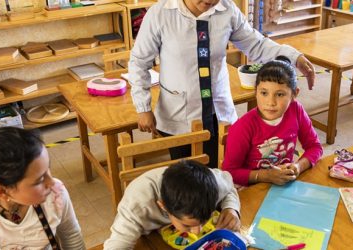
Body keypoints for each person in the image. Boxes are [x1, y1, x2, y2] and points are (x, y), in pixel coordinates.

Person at [128, 0, 316, 169]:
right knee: (183, 176)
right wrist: (143, 107)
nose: (210, 1)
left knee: (217, 171)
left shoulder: (227, 10)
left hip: (216, 110)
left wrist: (294, 56)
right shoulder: (160, 13)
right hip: (177, 111)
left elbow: (256, 44)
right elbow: (139, 62)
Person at [222, 57, 323, 186]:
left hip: (283, 184)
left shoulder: (296, 110)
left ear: (294, 94)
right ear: (256, 92)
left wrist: (298, 166)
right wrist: (265, 176)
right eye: (264, 93)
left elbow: (315, 147)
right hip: (251, 188)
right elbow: (229, 172)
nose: (270, 102)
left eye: (280, 94)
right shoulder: (243, 127)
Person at [104, 160, 240, 249]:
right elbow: (116, 245)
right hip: (150, 240)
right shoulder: (137, 205)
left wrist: (231, 208)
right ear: (163, 206)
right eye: (187, 225)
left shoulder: (214, 183)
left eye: (203, 221)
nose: (197, 231)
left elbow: (230, 186)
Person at [0, 127, 85, 249]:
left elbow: (71, 237)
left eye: (48, 168)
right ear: (2, 192)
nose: (51, 182)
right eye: (40, 180)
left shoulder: (56, 195)